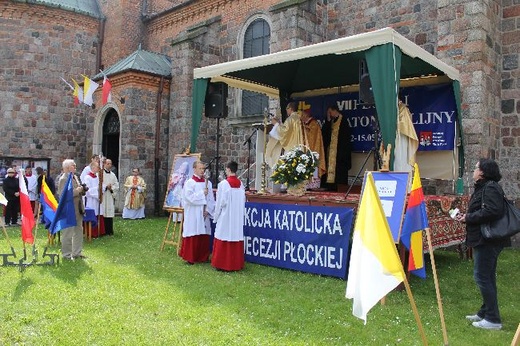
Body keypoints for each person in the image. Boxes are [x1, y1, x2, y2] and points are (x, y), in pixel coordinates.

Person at [455, 158, 511, 330]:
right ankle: (485, 312)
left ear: (483, 172)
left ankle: (493, 320)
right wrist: (467, 216)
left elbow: (493, 211)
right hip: (484, 238)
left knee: (482, 276)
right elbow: (483, 209)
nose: (473, 170)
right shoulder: (485, 187)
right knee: (487, 276)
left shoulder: (491, 187)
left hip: (488, 240)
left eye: (476, 168)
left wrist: (469, 217)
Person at [211, 161, 246, 271]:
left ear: (229, 170)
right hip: (237, 216)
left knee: (223, 235)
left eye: (226, 169)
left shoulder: (223, 185)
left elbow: (220, 203)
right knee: (235, 236)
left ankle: (222, 263)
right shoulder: (241, 185)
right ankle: (235, 263)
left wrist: (215, 217)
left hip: (226, 215)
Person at [180, 161, 215, 264]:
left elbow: (211, 199)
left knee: (204, 233)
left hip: (204, 213)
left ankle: (202, 256)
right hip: (193, 212)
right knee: (193, 231)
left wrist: (208, 210)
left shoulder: (208, 183)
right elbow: (189, 198)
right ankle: (191, 257)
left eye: (203, 169)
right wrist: (201, 193)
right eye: (200, 169)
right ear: (194, 169)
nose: (202, 171)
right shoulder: (190, 183)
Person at [57, 159, 86, 260]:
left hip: (78, 208)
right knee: (68, 232)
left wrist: (82, 190)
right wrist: (77, 191)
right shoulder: (63, 179)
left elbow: (78, 191)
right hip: (69, 209)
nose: (75, 167)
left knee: (78, 231)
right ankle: (66, 254)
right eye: (73, 166)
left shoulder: (75, 177)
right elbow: (62, 195)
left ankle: (77, 252)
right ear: (67, 168)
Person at [321, 104, 352, 191]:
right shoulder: (330, 121)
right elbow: (325, 135)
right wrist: (327, 120)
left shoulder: (343, 121)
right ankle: (329, 187)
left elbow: (345, 139)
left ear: (334, 110)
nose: (329, 114)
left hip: (340, 153)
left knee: (339, 174)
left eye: (330, 112)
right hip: (330, 152)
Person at [300, 108, 326, 189]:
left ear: (306, 115)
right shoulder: (304, 123)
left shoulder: (314, 123)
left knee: (313, 166)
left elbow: (312, 136)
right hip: (305, 149)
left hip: (314, 148)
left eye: (302, 115)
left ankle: (314, 185)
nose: (301, 117)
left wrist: (304, 128)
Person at [394, 97, 418, 174]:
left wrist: (396, 124)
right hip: (395, 137)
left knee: (402, 158)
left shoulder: (404, 110)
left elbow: (406, 126)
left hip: (402, 137)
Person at [83, 161, 105, 237]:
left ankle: (100, 231)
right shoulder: (87, 177)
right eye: (97, 167)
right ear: (92, 167)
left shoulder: (98, 177)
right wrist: (97, 191)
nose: (98, 168)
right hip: (92, 200)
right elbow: (88, 190)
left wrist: (102, 189)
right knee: (93, 213)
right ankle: (92, 232)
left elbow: (102, 186)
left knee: (99, 213)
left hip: (98, 199)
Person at [100, 159, 119, 235]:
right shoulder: (100, 174)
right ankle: (103, 231)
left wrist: (111, 188)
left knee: (109, 212)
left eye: (110, 164)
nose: (109, 165)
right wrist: (105, 187)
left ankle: (109, 231)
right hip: (103, 195)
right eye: (107, 163)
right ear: (104, 164)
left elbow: (116, 185)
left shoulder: (113, 175)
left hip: (109, 195)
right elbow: (98, 183)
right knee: (103, 211)